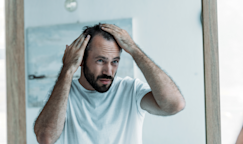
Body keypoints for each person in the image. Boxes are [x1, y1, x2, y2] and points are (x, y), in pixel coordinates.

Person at [33, 23, 186, 144]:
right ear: (81, 60)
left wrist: (134, 49)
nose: (108, 70)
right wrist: (67, 69)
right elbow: (45, 138)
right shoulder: (65, 93)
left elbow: (174, 105)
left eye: (114, 62)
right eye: (100, 60)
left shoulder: (130, 90)